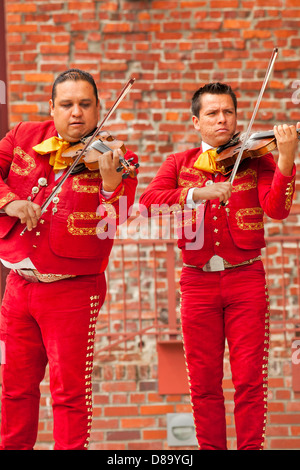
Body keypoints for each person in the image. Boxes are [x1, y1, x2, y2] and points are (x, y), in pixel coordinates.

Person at [140, 82, 299, 450]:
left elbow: (276, 210)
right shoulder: (179, 162)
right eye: (212, 113)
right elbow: (147, 202)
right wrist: (196, 193)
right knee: (204, 383)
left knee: (249, 380)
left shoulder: (257, 157)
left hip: (246, 277)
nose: (222, 120)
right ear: (196, 121)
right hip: (196, 283)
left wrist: (287, 159)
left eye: (228, 112)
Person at [0, 69, 138, 450]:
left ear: (98, 108)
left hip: (73, 289)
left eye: (85, 104)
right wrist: (10, 202)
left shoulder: (118, 156)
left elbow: (120, 215)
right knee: (14, 390)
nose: (76, 112)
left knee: (69, 393)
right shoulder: (23, 136)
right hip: (17, 285)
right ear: (52, 107)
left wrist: (109, 186)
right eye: (67, 104)